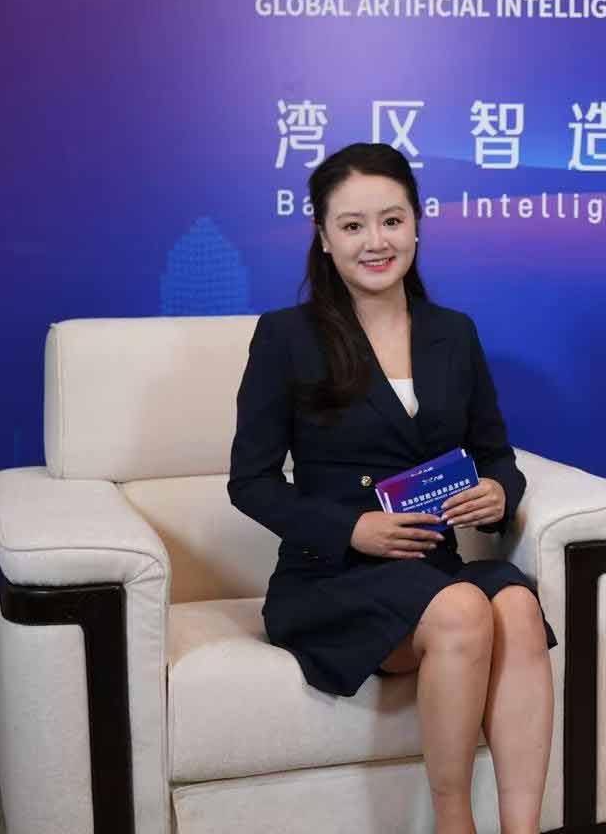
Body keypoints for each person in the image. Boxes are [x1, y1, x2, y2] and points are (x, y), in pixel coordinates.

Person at [229, 142, 554, 834]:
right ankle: (454, 825)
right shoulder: (287, 337)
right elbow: (250, 482)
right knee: (463, 609)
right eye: (352, 226)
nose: (375, 242)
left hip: (433, 570)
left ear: (416, 225)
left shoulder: (453, 333)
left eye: (391, 221)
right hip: (330, 577)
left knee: (517, 607)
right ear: (323, 237)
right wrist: (351, 528)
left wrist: (499, 493)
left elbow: (497, 455)